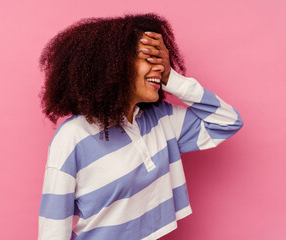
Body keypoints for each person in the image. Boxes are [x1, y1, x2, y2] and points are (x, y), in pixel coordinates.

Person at [37, 13, 243, 240]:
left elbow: (227, 122)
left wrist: (171, 78)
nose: (158, 67)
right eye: (148, 58)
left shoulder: (161, 119)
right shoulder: (73, 136)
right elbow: (53, 228)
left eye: (160, 60)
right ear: (113, 66)